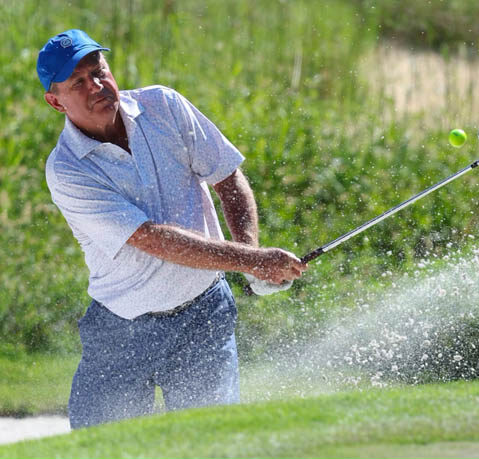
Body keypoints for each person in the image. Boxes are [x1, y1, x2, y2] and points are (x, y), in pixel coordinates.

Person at [37, 29, 307, 429]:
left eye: (99, 70)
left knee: (211, 444)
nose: (96, 85)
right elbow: (151, 239)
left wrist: (250, 255)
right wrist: (251, 260)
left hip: (204, 317)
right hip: (121, 331)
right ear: (56, 101)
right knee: (99, 449)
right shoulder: (67, 170)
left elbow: (227, 177)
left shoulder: (163, 105)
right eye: (79, 82)